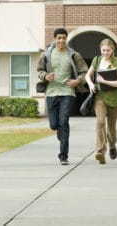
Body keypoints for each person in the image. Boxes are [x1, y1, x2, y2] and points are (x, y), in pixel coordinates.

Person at [37, 28, 88, 165]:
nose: (61, 40)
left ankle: (63, 156)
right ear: (55, 39)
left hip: (67, 92)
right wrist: (45, 76)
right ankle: (60, 132)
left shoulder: (73, 55)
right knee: (54, 125)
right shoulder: (47, 54)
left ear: (66, 39)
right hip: (52, 92)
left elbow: (85, 71)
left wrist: (77, 81)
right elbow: (39, 71)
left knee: (64, 123)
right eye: (59, 38)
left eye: (63, 38)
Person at [85, 38, 117, 165]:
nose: (105, 53)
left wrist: (104, 81)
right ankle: (100, 151)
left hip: (114, 99)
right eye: (103, 50)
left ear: (112, 50)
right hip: (100, 97)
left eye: (108, 50)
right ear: (100, 50)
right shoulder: (96, 60)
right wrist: (91, 84)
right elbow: (87, 75)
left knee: (111, 127)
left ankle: (112, 145)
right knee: (100, 122)